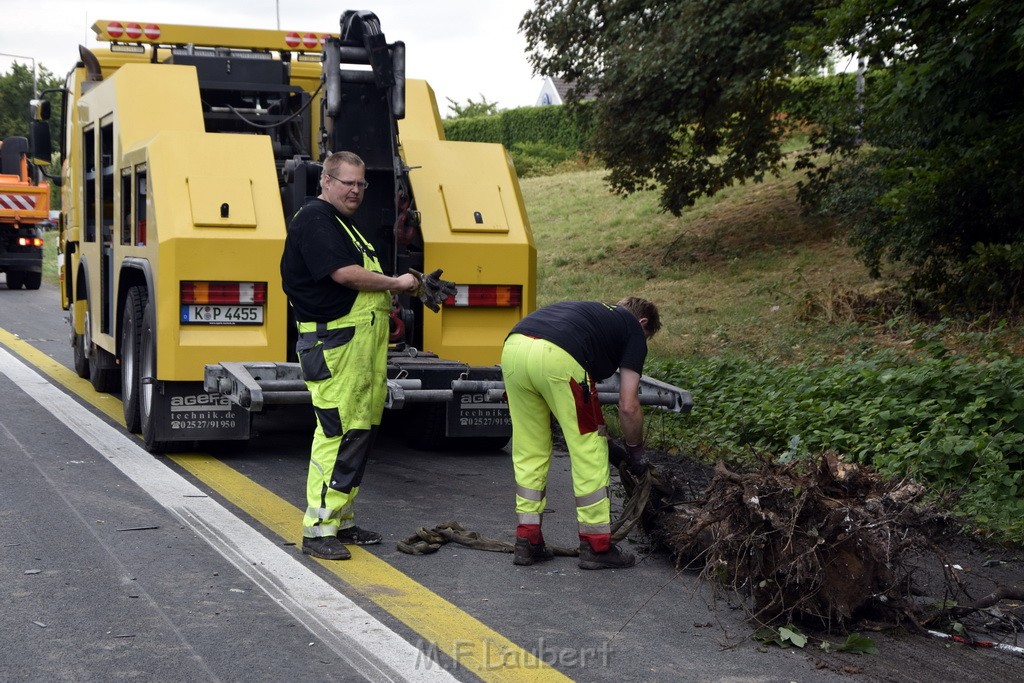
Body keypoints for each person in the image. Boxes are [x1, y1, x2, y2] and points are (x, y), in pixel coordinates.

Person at [280, 151, 420, 561]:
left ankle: (341, 520)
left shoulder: (344, 225)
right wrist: (397, 282)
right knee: (337, 431)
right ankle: (318, 529)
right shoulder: (315, 220)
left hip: (360, 348)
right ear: (326, 181)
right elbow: (344, 274)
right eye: (347, 182)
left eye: (361, 184)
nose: (355, 190)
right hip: (336, 347)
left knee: (359, 431)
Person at [501, 298, 661, 570]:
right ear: (643, 322)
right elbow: (628, 406)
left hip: (514, 348)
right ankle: (597, 546)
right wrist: (636, 453)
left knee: (530, 449)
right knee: (589, 448)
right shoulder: (632, 329)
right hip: (558, 356)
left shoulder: (592, 314)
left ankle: (527, 542)